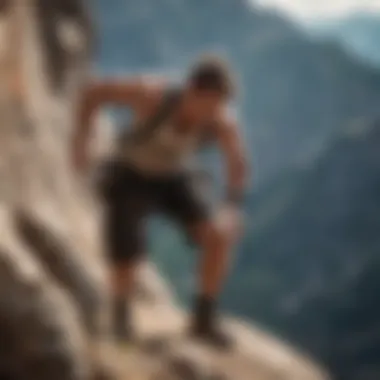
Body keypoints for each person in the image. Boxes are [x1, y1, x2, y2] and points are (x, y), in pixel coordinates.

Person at [71, 55, 249, 349]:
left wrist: (232, 207)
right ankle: (121, 316)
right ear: (193, 90)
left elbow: (237, 163)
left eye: (220, 106)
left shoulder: (220, 120)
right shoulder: (150, 94)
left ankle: (203, 319)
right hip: (131, 172)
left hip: (176, 176)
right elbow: (94, 92)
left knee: (219, 234)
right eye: (211, 104)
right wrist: (82, 139)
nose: (214, 113)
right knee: (126, 249)